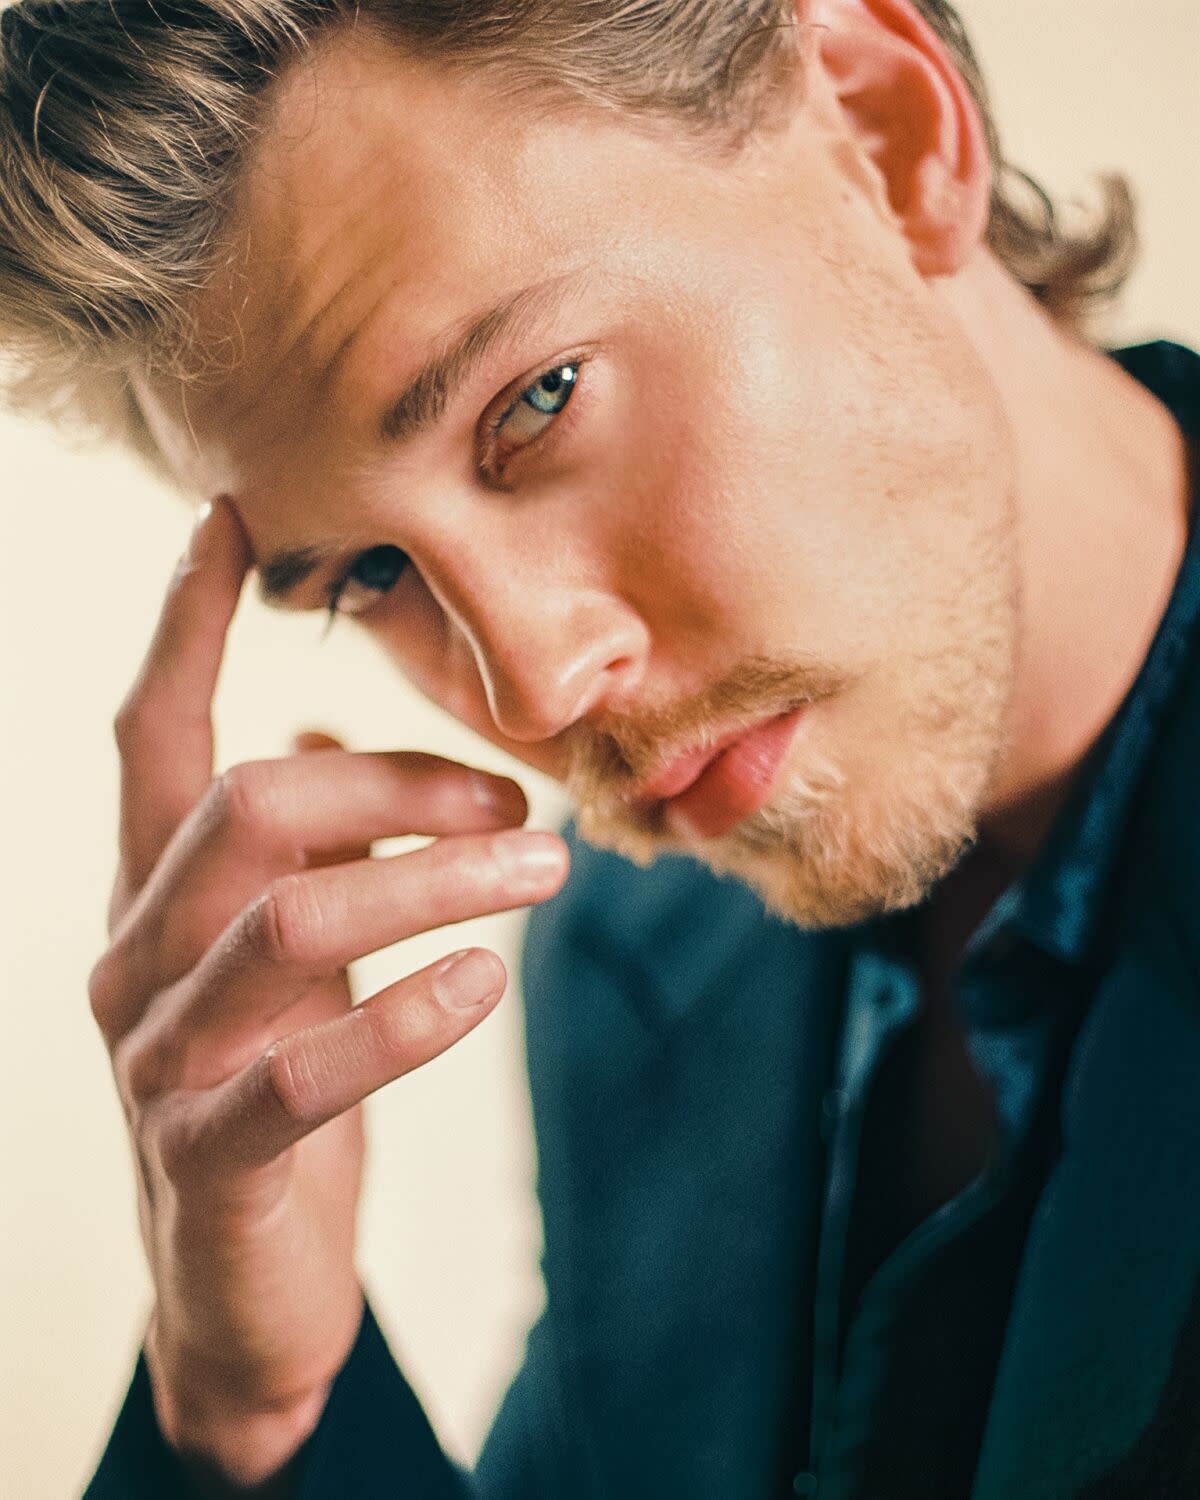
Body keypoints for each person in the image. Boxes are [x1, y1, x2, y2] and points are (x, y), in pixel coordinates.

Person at [1, 0, 1197, 1495]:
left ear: (888, 138)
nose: (536, 691)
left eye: (540, 399)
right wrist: (254, 1411)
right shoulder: (640, 946)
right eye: (370, 576)